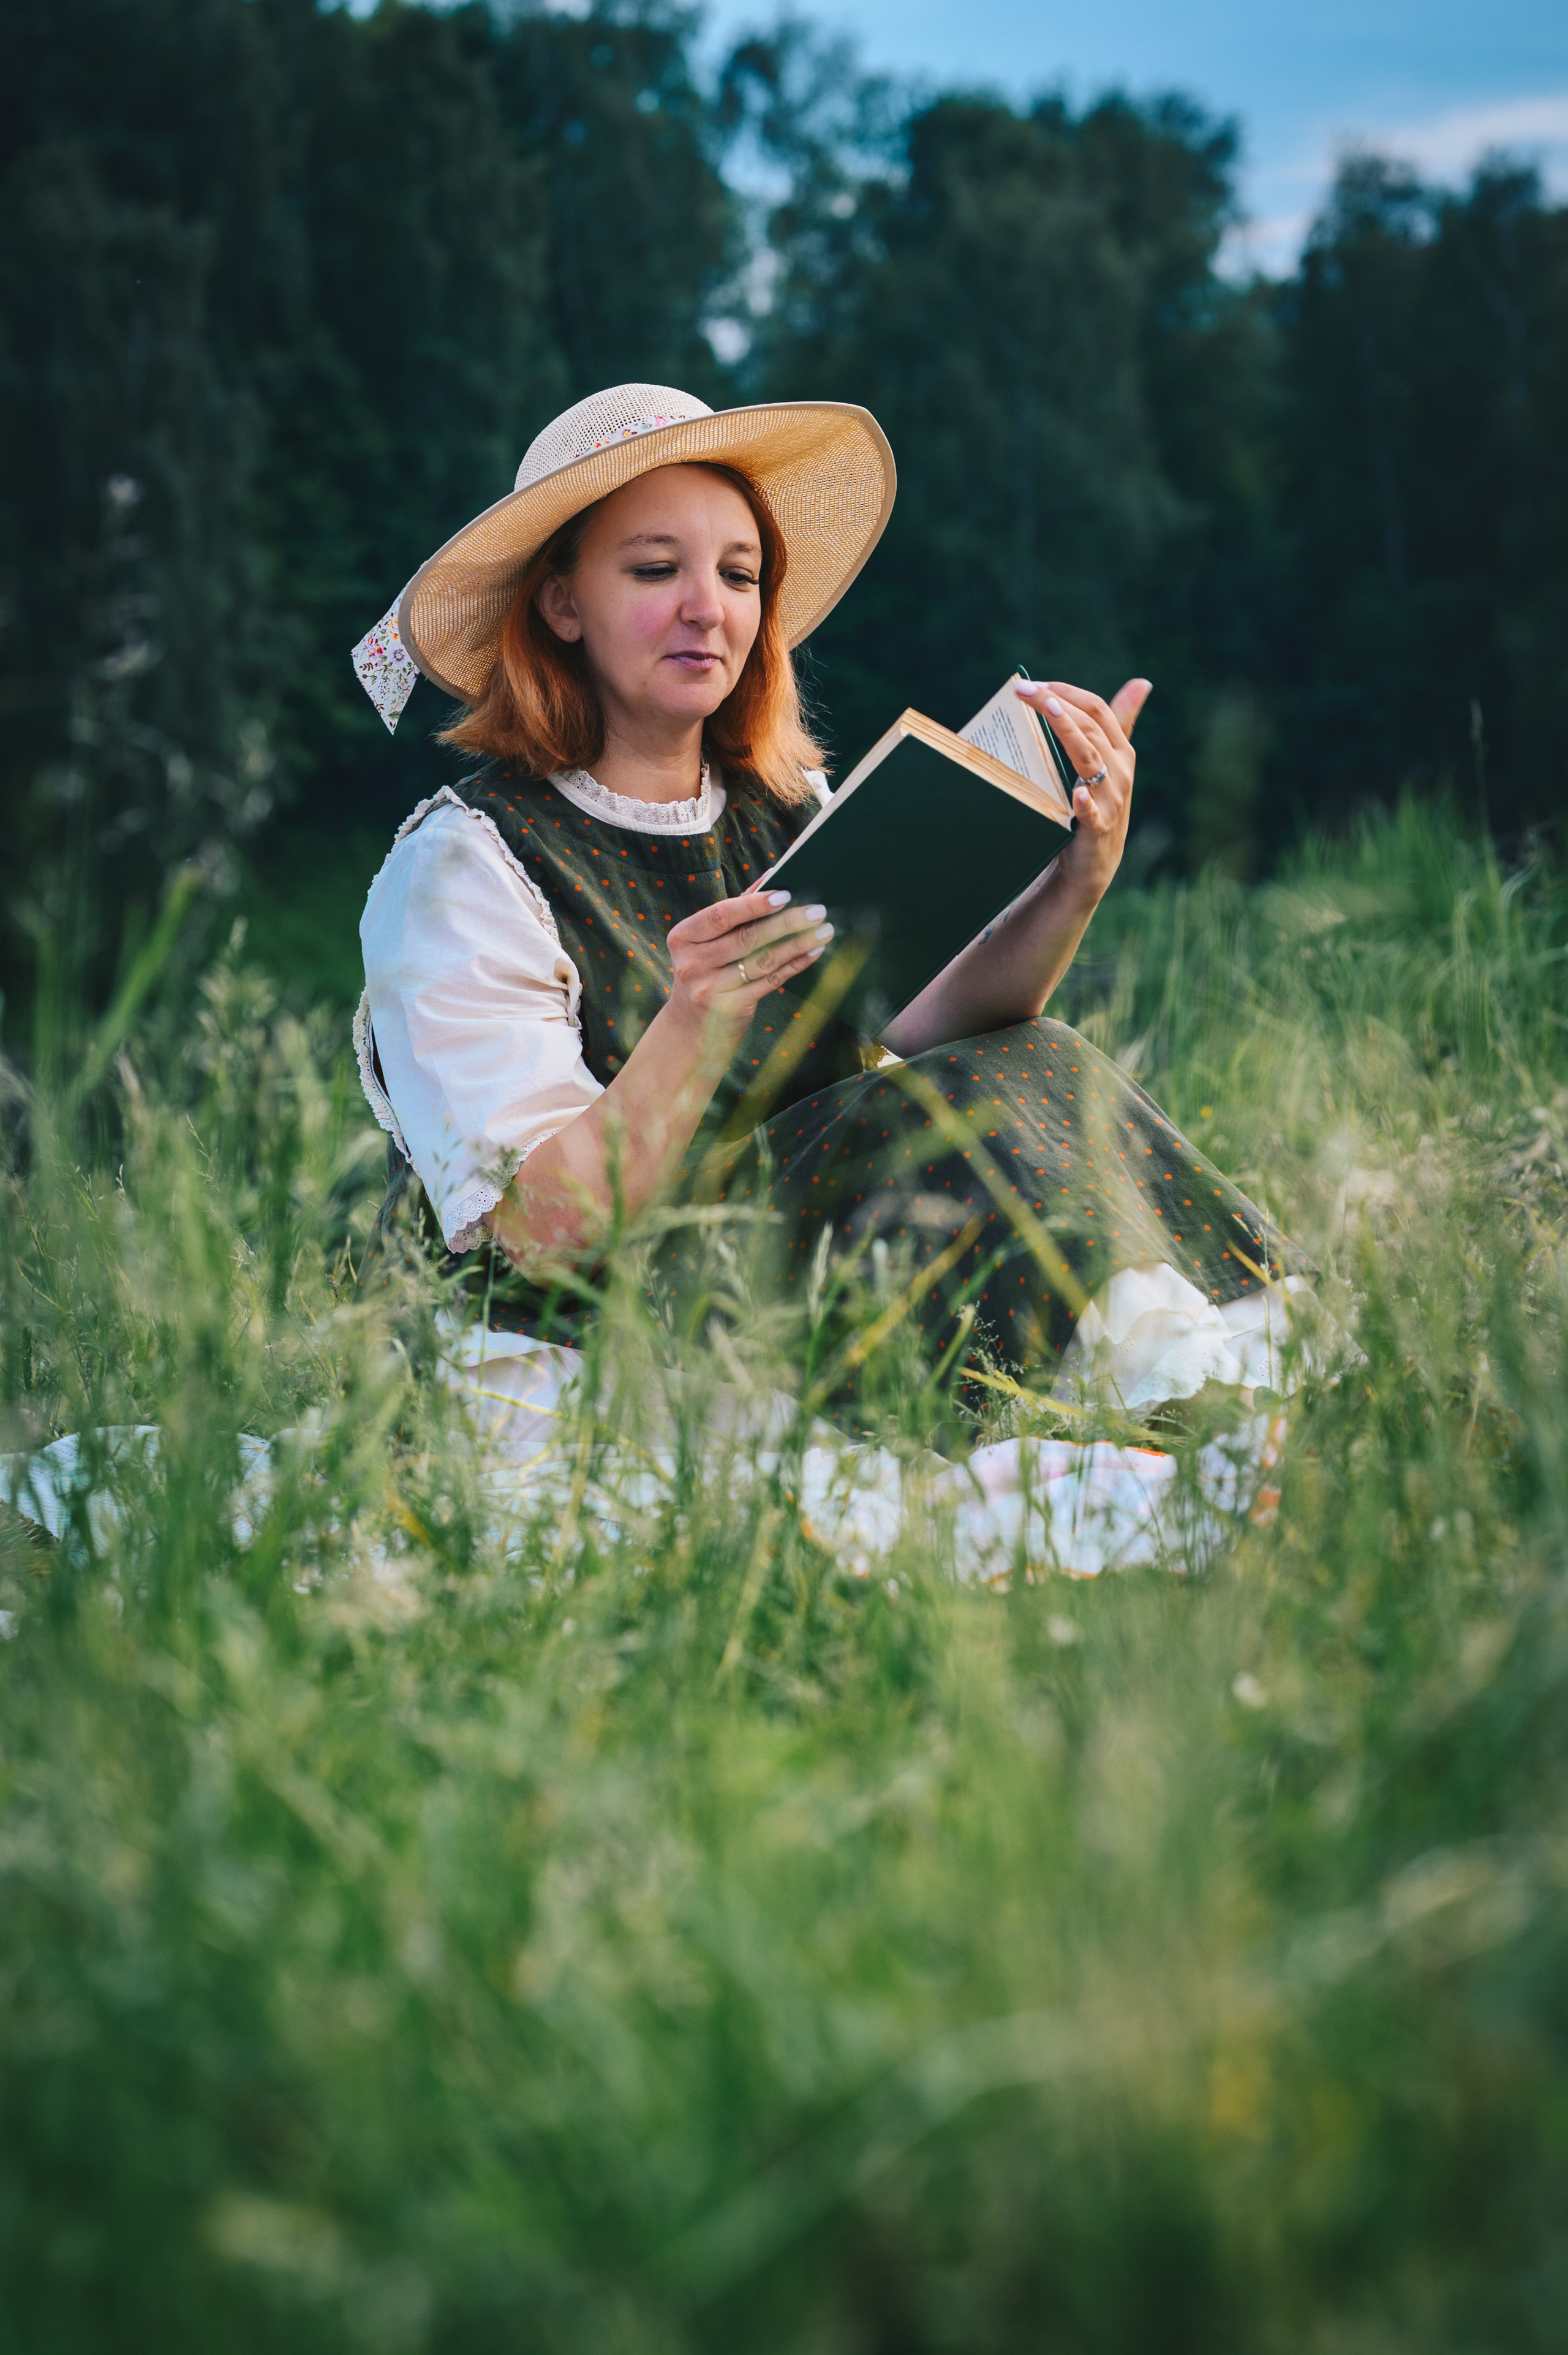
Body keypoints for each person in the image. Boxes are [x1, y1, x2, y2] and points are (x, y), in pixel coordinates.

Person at [353, 382, 1310, 1425]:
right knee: (950, 1107)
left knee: (1045, 1060)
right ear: (562, 602)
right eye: (654, 569)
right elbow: (536, 1230)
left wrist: (1073, 882)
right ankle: (1176, 1396)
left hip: (815, 1260)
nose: (705, 607)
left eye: (739, 573)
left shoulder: (790, 805)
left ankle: (1228, 1384)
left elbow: (929, 1025)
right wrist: (695, 1025)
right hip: (601, 1333)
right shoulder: (467, 864)